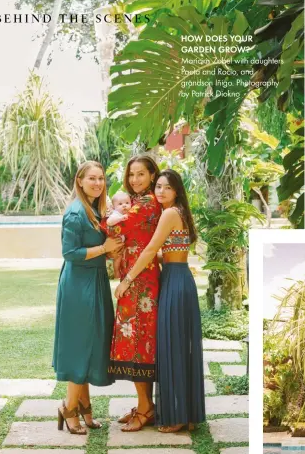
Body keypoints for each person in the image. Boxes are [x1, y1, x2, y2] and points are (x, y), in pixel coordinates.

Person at [115, 169, 206, 433]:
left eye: (167, 188)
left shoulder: (168, 213)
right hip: (180, 279)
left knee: (173, 348)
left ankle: (176, 417)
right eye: (159, 187)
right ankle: (184, 413)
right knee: (179, 347)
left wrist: (127, 279)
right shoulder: (180, 212)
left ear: (176, 191)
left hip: (175, 282)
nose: (161, 192)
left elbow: (152, 248)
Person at [53, 161, 123, 434]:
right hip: (78, 285)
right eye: (91, 178)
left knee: (91, 343)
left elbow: (94, 246)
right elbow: (70, 253)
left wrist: (110, 251)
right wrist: (103, 248)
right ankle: (68, 408)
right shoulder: (75, 213)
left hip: (94, 281)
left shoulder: (95, 209)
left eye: (101, 178)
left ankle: (84, 407)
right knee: (80, 345)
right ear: (79, 181)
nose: (97, 183)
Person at [107, 154, 162, 432]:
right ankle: (143, 405)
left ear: (152, 175)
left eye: (140, 174)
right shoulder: (138, 202)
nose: (135, 179)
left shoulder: (148, 203)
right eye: (131, 175)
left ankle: (145, 409)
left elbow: (114, 225)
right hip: (136, 276)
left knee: (140, 341)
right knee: (138, 340)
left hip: (140, 279)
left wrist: (101, 216)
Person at [102, 191, 131, 278]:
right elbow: (109, 222)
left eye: (127, 203)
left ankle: (118, 271)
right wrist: (120, 218)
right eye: (120, 204)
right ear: (114, 207)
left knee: (119, 258)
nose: (124, 205)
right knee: (117, 258)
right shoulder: (116, 214)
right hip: (114, 242)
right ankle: (116, 271)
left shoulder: (127, 214)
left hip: (120, 243)